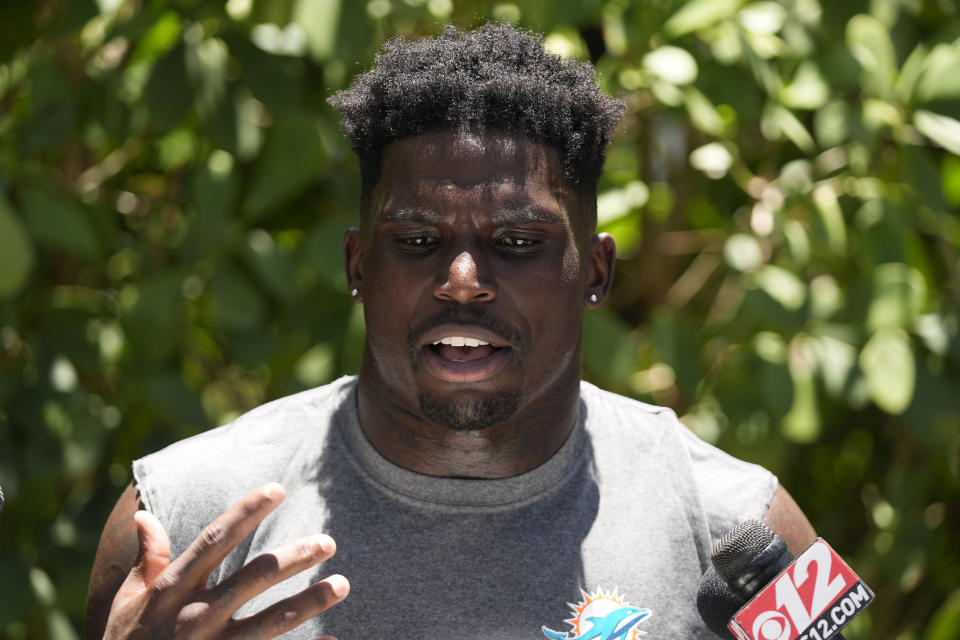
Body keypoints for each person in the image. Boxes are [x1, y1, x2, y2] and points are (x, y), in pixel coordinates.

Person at [86, 23, 815, 639]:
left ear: (594, 271)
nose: (463, 279)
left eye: (520, 243)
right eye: (415, 241)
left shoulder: (745, 529)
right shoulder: (178, 519)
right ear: (357, 265)